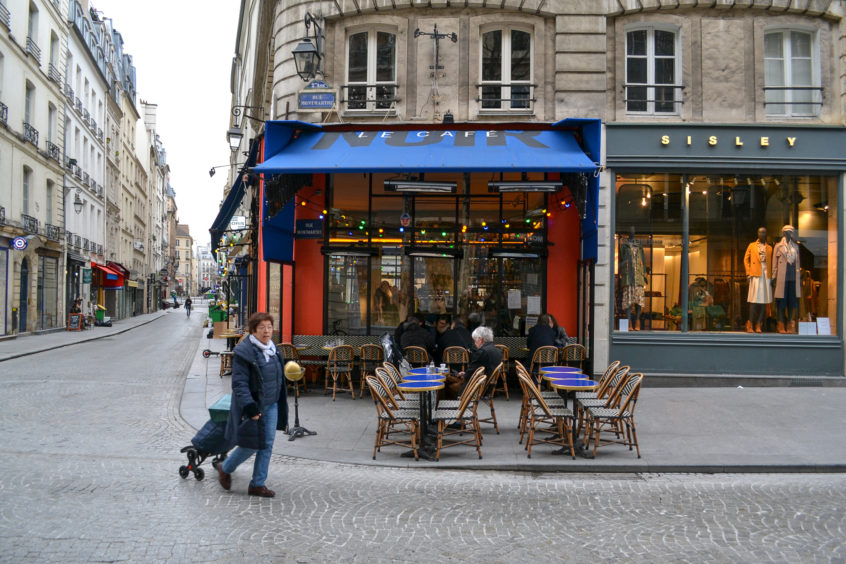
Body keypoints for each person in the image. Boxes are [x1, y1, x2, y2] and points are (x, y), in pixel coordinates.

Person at [218, 312, 289, 497]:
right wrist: (250, 407)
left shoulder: (274, 349)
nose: (267, 332)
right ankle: (225, 467)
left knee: (267, 444)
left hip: (272, 405)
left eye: (269, 327)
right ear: (253, 330)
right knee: (251, 445)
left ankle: (257, 484)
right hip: (255, 406)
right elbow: (239, 383)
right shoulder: (245, 352)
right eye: (262, 328)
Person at [743, 227, 773, 333]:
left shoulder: (769, 248)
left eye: (764, 232)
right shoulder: (752, 245)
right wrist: (748, 273)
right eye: (760, 232)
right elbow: (746, 259)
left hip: (766, 274)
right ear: (757, 233)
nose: (761, 234)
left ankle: (758, 323)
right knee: (754, 300)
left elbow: (772, 262)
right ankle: (750, 323)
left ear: (766, 234)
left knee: (765, 301)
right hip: (755, 274)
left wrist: (772, 276)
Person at [457, 326, 502, 394]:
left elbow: (471, 372)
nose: (475, 344)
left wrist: (465, 375)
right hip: (489, 385)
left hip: (478, 387)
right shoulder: (497, 351)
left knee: (452, 387)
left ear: (480, 340)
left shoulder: (482, 352)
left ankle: (454, 403)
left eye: (475, 341)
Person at [773, 225, 801, 333]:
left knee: (791, 302)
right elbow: (774, 264)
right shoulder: (778, 246)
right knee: (781, 302)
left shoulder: (795, 247)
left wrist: (799, 279)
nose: (789, 234)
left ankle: (789, 323)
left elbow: (798, 264)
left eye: (791, 232)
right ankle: (780, 323)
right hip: (782, 278)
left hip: (793, 278)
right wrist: (774, 277)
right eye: (787, 232)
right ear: (783, 233)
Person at [619, 227, 647, 330]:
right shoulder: (624, 246)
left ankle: (637, 321)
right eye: (630, 230)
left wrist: (644, 274)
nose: (632, 231)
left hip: (638, 277)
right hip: (628, 277)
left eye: (633, 230)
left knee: (639, 301)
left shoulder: (639, 246)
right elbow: (621, 261)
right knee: (628, 301)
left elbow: (643, 261)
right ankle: (629, 323)